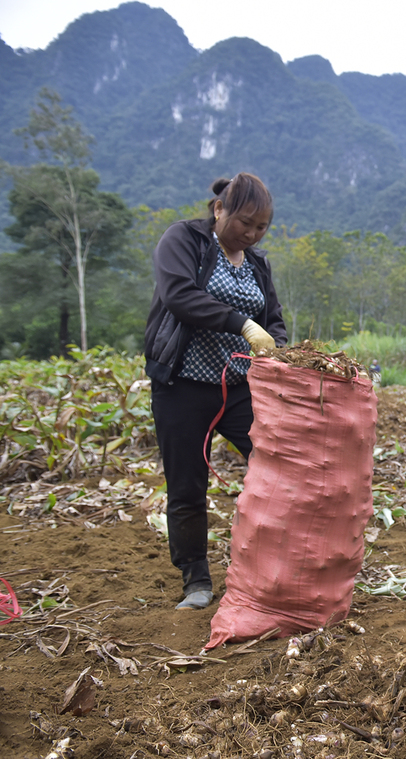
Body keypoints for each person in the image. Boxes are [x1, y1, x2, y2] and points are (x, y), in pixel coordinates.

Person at [144, 173, 286, 610]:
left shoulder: (257, 264)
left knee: (278, 464)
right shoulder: (184, 239)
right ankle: (196, 580)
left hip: (239, 388)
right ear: (219, 209)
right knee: (187, 485)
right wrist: (241, 323)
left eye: (261, 227)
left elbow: (274, 317)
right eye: (245, 222)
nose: (252, 233)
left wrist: (275, 343)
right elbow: (179, 294)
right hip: (183, 384)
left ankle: (273, 563)